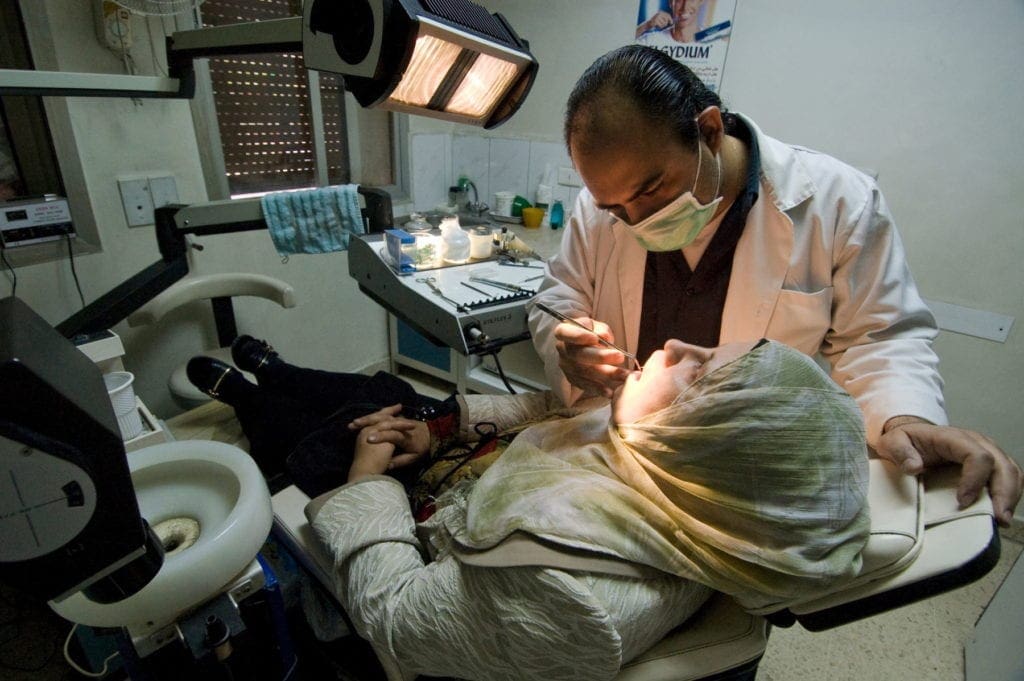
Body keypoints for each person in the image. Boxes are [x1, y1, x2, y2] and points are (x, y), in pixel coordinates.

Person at [528, 45, 1022, 526]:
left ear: (709, 130)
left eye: (651, 190)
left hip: (742, 478)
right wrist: (567, 342)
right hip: (627, 460)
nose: (636, 221)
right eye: (616, 209)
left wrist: (903, 420)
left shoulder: (837, 203)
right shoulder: (608, 202)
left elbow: (879, 337)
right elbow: (559, 296)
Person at [308, 338, 870, 681]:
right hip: (458, 463)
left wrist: (365, 481)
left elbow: (395, 617)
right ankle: (267, 371)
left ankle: (247, 385)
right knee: (378, 392)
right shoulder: (681, 473)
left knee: (325, 438)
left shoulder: (565, 593)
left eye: (698, 371)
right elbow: (560, 410)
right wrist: (446, 424)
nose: (674, 344)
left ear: (718, 451)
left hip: (412, 518)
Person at [635, 0, 713, 43]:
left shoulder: (712, 42)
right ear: (670, 2)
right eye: (679, 0)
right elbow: (624, 43)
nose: (685, 7)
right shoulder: (653, 40)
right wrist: (646, 25)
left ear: (701, 1)